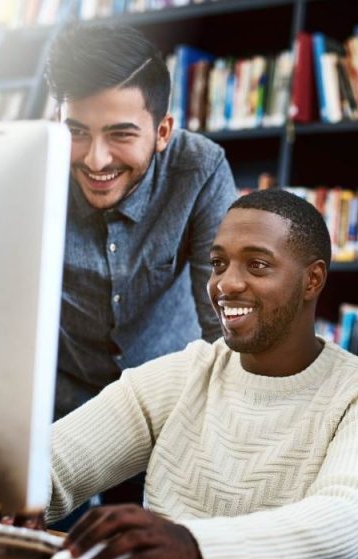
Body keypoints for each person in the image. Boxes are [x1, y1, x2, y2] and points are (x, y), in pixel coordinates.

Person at [47, 189, 358, 559]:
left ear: (313, 280)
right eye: (218, 264)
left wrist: (191, 545)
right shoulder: (182, 375)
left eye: (256, 265)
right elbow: (52, 463)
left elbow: (348, 522)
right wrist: (4, 492)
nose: (226, 284)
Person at [45, 24, 237, 421]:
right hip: (65, 403)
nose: (96, 160)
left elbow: (222, 319)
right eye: (77, 132)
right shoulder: (33, 168)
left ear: (162, 131)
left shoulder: (200, 169)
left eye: (120, 135)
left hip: (168, 400)